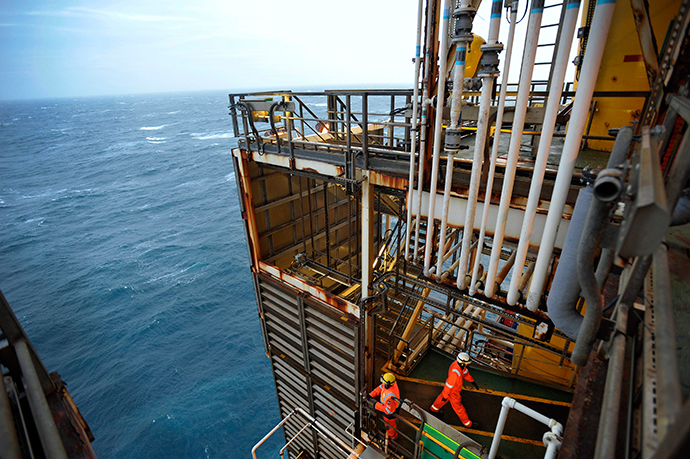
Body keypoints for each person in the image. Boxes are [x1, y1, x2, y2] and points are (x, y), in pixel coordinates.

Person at [430, 352, 479, 428]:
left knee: (441, 399)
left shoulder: (457, 364)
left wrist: (472, 381)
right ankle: (467, 424)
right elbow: (448, 385)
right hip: (454, 392)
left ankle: (433, 409)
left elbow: (465, 373)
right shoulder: (455, 373)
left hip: (450, 391)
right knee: (459, 408)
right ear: (462, 363)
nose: (467, 365)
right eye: (466, 363)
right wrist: (446, 395)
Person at [369, 372, 400, 440]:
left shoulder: (390, 397)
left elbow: (388, 410)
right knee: (388, 424)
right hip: (387, 408)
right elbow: (380, 388)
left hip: (389, 413)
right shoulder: (391, 384)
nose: (382, 383)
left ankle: (392, 438)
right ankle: (390, 435)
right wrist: (371, 394)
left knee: (390, 425)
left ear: (387, 384)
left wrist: (376, 405)